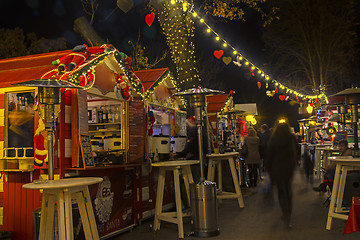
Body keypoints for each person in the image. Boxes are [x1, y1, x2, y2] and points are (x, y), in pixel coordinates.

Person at [266, 120, 298, 228]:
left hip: (277, 167)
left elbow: (269, 155)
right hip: (288, 167)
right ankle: (288, 211)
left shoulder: (274, 139)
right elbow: (297, 151)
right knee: (288, 188)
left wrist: (268, 169)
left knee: (280, 191)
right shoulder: (291, 138)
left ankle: (284, 211)